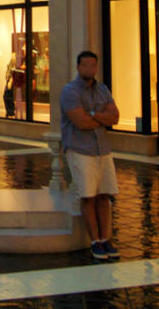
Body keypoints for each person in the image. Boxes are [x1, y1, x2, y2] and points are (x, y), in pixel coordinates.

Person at [60, 50, 121, 262]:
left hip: (102, 149)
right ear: (78, 67)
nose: (90, 69)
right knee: (88, 196)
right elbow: (81, 122)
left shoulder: (102, 90)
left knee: (104, 195)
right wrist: (101, 118)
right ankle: (95, 241)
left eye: (93, 65)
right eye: (85, 65)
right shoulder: (70, 91)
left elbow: (115, 117)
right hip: (80, 149)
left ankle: (106, 238)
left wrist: (93, 114)